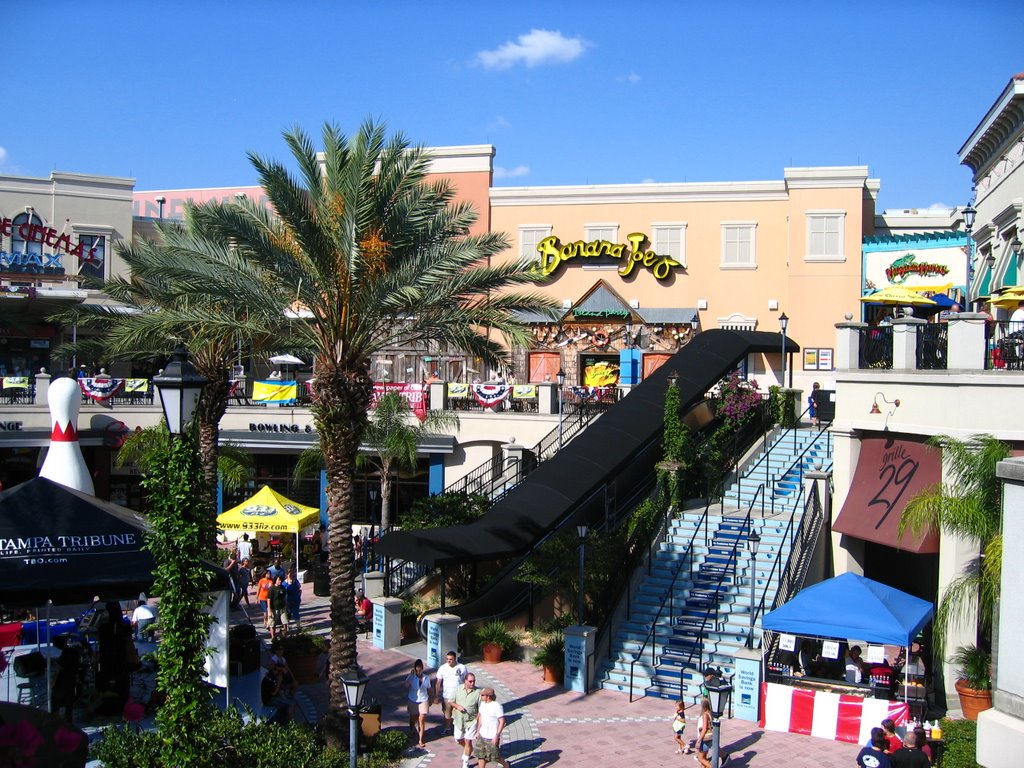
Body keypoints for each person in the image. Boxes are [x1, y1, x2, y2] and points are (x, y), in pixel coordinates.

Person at [96, 601, 132, 708]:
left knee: (111, 678)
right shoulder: (123, 625)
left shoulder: (105, 626)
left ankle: (110, 701)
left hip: (109, 657)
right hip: (119, 657)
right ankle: (121, 700)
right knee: (120, 679)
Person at [50, 634, 82, 723]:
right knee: (69, 703)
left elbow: (61, 666)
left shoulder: (66, 653)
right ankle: (68, 720)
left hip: (63, 681)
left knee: (55, 701)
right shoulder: (74, 651)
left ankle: (55, 720)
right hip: (71, 680)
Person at [435, 650, 468, 736]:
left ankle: (461, 730)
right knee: (447, 713)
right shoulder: (442, 668)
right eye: (447, 659)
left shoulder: (462, 667)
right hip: (447, 696)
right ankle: (448, 728)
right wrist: (436, 696)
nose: (448, 661)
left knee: (460, 713)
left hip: (459, 695)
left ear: (455, 659)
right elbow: (438, 682)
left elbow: (466, 680)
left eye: (450, 659)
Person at [474, 687, 509, 768]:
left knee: (495, 757)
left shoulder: (496, 706)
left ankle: (506, 765)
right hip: (482, 735)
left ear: (488, 696)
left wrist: (496, 736)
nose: (481, 697)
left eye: (482, 695)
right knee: (481, 755)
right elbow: (480, 718)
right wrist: (478, 731)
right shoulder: (482, 704)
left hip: (492, 736)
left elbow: (502, 721)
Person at [452, 671, 481, 766]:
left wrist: (478, 722)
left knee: (468, 741)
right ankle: (468, 749)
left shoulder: (478, 692)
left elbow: (481, 709)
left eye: (474, 681)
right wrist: (457, 706)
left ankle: (465, 762)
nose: (472, 683)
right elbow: (450, 701)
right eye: (470, 681)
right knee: (458, 739)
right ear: (465, 681)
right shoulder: (458, 689)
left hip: (471, 721)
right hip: (459, 720)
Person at [404, 659, 432, 749]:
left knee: (422, 718)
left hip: (423, 699)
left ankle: (420, 739)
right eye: (417, 670)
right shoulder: (412, 677)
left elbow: (429, 688)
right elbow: (406, 686)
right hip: (413, 699)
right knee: (413, 717)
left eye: (420, 670)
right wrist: (410, 675)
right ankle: (412, 729)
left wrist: (431, 698)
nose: (418, 672)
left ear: (422, 669)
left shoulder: (426, 678)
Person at [694, 697, 716, 768]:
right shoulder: (710, 713)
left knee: (700, 758)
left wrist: (699, 740)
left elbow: (705, 728)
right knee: (704, 759)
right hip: (710, 738)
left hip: (705, 739)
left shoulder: (705, 714)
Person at [268, 574, 287, 639]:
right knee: (272, 623)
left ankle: (284, 634)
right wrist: (270, 610)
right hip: (273, 608)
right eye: (279, 580)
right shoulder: (272, 588)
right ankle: (273, 637)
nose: (280, 581)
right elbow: (268, 600)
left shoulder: (283, 587)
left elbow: (284, 597)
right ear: (275, 580)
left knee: (285, 621)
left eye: (281, 580)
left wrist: (286, 605)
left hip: (282, 607)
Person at [284, 567, 302, 631]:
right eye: (289, 573)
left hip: (296, 600)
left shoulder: (295, 581)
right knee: (288, 613)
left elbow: (300, 589)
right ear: (286, 574)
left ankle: (299, 626)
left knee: (296, 613)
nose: (290, 575)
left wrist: (299, 596)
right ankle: (287, 627)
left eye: (291, 573)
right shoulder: (284, 583)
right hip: (288, 600)